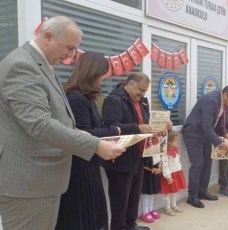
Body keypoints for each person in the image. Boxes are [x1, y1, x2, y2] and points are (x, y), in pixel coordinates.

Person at [0, 16, 124, 230]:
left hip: (43, 182)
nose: (71, 56)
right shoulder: (22, 65)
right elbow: (39, 124)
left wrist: (79, 133)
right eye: (69, 48)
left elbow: (53, 117)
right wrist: (96, 145)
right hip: (28, 184)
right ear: (48, 36)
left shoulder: (42, 65)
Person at [55, 52, 120, 230]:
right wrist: (113, 132)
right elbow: (83, 134)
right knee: (84, 217)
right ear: (92, 73)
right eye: (102, 74)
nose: (104, 78)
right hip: (79, 169)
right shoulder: (76, 99)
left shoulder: (87, 98)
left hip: (89, 163)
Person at [102, 72, 172, 230]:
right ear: (130, 84)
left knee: (134, 195)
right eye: (140, 89)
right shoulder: (113, 100)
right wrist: (137, 128)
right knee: (120, 199)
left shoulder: (143, 102)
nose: (142, 93)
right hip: (120, 158)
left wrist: (163, 127)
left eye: (145, 91)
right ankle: (119, 227)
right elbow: (110, 128)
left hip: (139, 156)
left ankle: (131, 224)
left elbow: (148, 124)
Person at [182, 84, 228, 208]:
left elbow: (219, 121)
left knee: (207, 162)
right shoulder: (210, 100)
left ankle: (203, 191)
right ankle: (192, 197)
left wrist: (225, 133)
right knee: (198, 164)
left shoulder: (223, 102)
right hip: (193, 133)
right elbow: (207, 126)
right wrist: (220, 143)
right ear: (225, 95)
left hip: (205, 134)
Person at [160, 130, 187, 216]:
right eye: (175, 141)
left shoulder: (175, 150)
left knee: (175, 191)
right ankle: (167, 208)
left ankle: (174, 205)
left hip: (177, 172)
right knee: (168, 192)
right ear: (169, 142)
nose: (177, 142)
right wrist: (168, 177)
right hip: (170, 175)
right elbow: (165, 165)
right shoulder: (165, 153)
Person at [139, 155, 162, 224]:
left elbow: (160, 158)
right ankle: (145, 212)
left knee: (153, 191)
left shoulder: (157, 149)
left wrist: (159, 167)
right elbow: (141, 164)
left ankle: (150, 209)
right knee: (146, 192)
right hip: (147, 173)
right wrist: (151, 170)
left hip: (155, 171)